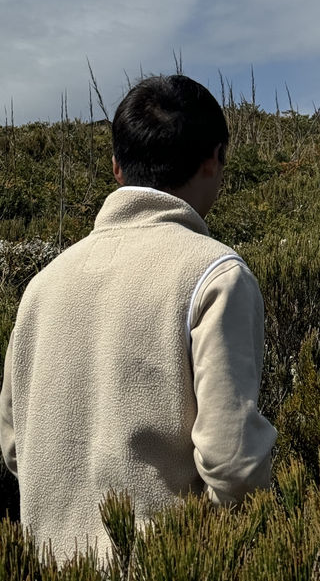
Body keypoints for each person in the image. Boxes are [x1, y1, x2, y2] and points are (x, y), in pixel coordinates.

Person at [0, 74, 276, 561]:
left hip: (46, 564)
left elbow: (14, 447)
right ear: (213, 158)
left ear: (116, 167)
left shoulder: (41, 285)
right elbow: (233, 465)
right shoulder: (216, 276)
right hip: (164, 564)